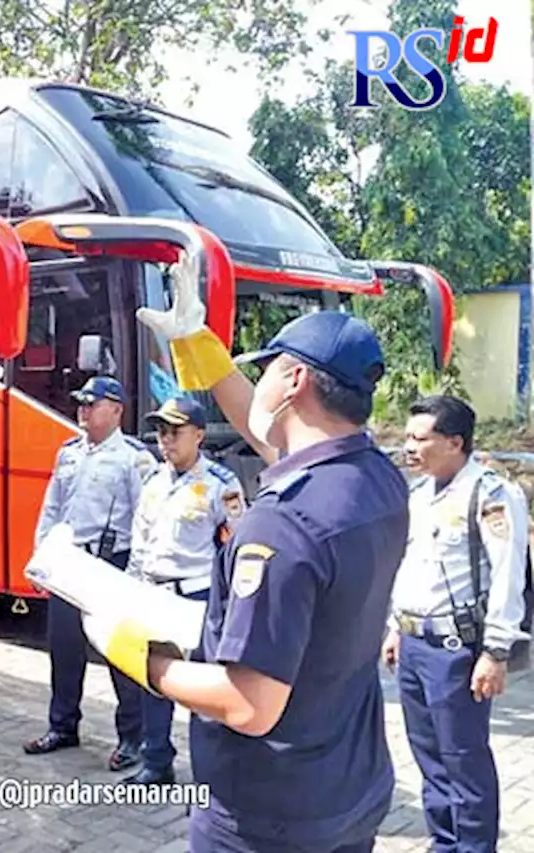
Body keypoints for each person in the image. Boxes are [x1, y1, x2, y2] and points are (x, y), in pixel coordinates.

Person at [28, 252, 412, 853]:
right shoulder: (375, 479)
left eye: (270, 370)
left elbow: (249, 703)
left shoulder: (282, 523)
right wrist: (197, 345)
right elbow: (277, 436)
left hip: (268, 810)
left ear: (294, 382)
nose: (258, 384)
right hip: (346, 789)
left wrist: (143, 661)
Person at [383, 394, 530, 852]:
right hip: (413, 644)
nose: (409, 448)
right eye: (407, 437)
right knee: (429, 757)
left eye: (419, 439)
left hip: (456, 652)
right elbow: (409, 566)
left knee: (463, 760)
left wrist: (496, 651)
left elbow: (509, 576)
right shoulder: (419, 494)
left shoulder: (490, 494)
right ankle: (445, 842)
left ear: (454, 442)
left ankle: (473, 848)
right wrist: (394, 627)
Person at [23, 375, 159, 771]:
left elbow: (145, 519)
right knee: (64, 651)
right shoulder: (68, 453)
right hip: (69, 564)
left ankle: (132, 738)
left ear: (116, 410)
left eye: (92, 403)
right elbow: (52, 510)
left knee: (120, 657)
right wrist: (41, 559)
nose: (83, 409)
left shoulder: (135, 458)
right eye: (81, 402)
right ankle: (62, 726)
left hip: (110, 565)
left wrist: (136, 573)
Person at [125, 395, 246, 787]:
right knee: (153, 683)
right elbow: (140, 540)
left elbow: (236, 547)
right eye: (161, 432)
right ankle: (156, 762)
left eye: (175, 432)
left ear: (198, 434)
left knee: (201, 690)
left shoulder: (220, 486)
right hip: (153, 593)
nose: (166, 440)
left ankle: (210, 771)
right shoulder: (152, 481)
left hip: (197, 598)